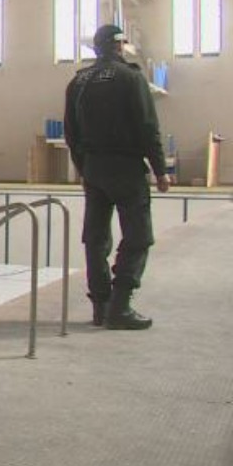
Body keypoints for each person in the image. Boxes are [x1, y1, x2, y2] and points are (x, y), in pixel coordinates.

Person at [64, 24, 170, 330]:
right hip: (125, 167)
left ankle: (101, 306)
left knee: (95, 239)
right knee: (138, 236)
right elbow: (147, 127)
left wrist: (85, 168)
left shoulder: (78, 82)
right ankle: (120, 307)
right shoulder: (130, 77)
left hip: (93, 169)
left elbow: (71, 133)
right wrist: (160, 170)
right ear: (120, 46)